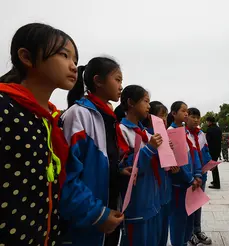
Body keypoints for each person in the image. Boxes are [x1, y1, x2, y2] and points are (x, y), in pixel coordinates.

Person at [0, 23, 78, 246]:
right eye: (64, 55)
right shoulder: (5, 109)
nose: (73, 66)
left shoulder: (49, 119)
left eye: (75, 60)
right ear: (26, 57)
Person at [59, 57, 127, 246]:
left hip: (110, 214)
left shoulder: (108, 118)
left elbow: (102, 163)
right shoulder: (78, 115)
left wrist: (119, 170)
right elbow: (66, 176)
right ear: (98, 81)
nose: (121, 86)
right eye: (118, 79)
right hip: (87, 220)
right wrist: (98, 214)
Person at [118, 85, 163, 246]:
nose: (149, 106)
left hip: (152, 203)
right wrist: (150, 149)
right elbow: (127, 167)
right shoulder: (121, 130)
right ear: (131, 103)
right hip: (136, 206)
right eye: (145, 101)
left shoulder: (146, 133)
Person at [142, 101, 180, 246]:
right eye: (160, 116)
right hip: (153, 197)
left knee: (164, 233)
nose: (164, 120)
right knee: (154, 236)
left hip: (166, 193)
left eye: (165, 116)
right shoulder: (146, 137)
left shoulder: (165, 137)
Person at [167, 101, 202, 246]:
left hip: (191, 182)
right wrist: (190, 179)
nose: (186, 113)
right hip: (179, 184)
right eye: (183, 111)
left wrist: (198, 174)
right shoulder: (171, 132)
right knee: (178, 219)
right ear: (174, 114)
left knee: (189, 218)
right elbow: (177, 162)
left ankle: (186, 241)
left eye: (187, 110)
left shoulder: (186, 132)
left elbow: (194, 155)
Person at [187, 108, 213, 245]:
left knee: (198, 204)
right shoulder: (184, 134)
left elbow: (206, 151)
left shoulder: (201, 133)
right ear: (186, 117)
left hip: (202, 173)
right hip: (190, 175)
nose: (196, 120)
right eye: (193, 117)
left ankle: (198, 230)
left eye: (198, 117)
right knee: (190, 204)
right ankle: (189, 233)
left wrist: (209, 164)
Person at [206, 116, 222, 189]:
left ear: (209, 122)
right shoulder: (218, 129)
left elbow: (207, 141)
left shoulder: (210, 130)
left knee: (214, 167)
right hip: (217, 150)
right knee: (214, 166)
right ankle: (215, 181)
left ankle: (216, 184)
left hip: (212, 150)